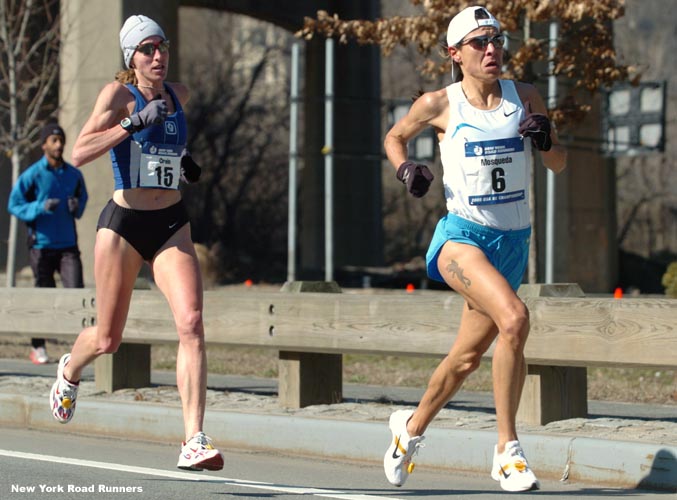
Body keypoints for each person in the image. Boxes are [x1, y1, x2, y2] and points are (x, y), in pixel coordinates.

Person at [382, 6, 567, 493]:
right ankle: (507, 451)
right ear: (454, 53)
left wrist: (546, 138)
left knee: (466, 359)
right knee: (515, 318)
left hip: (512, 244)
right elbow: (395, 136)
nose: (492, 50)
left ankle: (410, 430)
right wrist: (407, 170)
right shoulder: (439, 103)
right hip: (462, 240)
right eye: (480, 43)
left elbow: (560, 163)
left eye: (498, 40)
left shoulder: (524, 96)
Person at [48, 14, 222, 472]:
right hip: (123, 224)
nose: (158, 56)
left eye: (161, 46)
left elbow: (166, 147)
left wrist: (184, 163)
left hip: (170, 223)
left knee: (192, 322)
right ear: (132, 57)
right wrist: (131, 124)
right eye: (147, 49)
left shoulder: (179, 95)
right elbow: (80, 152)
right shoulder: (117, 95)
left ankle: (193, 439)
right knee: (108, 339)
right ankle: (70, 370)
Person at [8, 123, 88, 365]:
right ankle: (38, 347)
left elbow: (82, 199)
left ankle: (80, 350)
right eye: (53, 140)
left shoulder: (74, 175)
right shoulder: (32, 175)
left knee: (77, 294)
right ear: (44, 145)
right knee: (43, 297)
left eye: (61, 139)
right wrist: (39, 208)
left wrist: (77, 207)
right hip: (41, 245)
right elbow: (14, 204)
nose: (59, 144)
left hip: (67, 246)